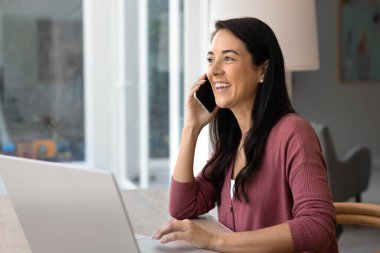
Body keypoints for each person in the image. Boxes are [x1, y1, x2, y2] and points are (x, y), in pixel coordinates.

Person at [153, 17, 338, 252]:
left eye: (228, 58)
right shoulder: (230, 143)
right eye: (211, 59)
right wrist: (191, 129)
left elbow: (318, 227)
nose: (214, 70)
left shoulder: (293, 133)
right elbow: (183, 207)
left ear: (262, 69)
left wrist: (215, 241)